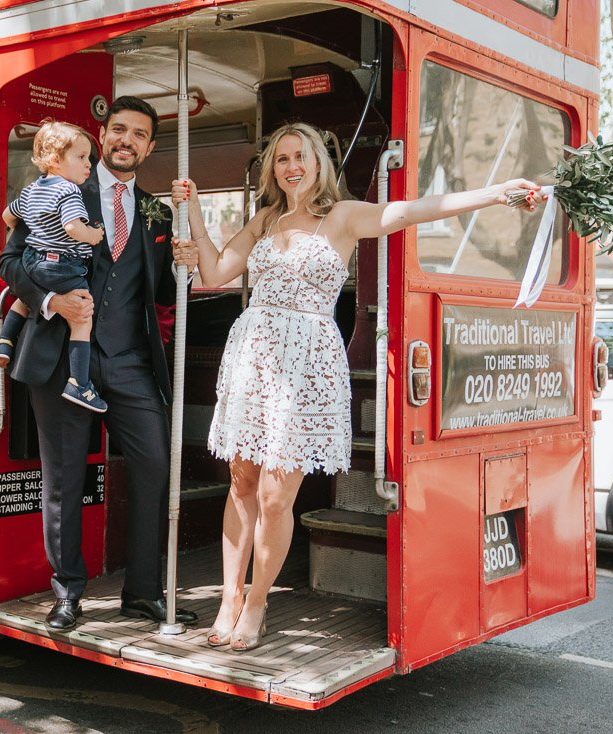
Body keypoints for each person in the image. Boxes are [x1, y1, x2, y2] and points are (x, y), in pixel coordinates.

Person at [171, 122, 543, 651]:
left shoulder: (342, 216)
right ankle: (229, 599)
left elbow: (412, 211)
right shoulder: (265, 218)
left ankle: (257, 604)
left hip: (307, 368)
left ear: (319, 162)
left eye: (301, 156)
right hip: (253, 357)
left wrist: (495, 193)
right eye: (281, 159)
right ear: (271, 170)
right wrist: (199, 218)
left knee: (278, 497)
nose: (291, 166)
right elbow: (214, 271)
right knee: (242, 483)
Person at [0, 96, 199, 631]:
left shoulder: (158, 211)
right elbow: (9, 262)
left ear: (150, 147)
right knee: (63, 479)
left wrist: (185, 267)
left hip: (131, 362)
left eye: (138, 133)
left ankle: (142, 593)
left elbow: (156, 289)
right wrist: (50, 302)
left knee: (156, 466)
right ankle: (67, 594)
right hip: (62, 356)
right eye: (117, 130)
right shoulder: (61, 187)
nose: (125, 140)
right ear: (102, 135)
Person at [0, 120, 109, 412]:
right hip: (64, 265)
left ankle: (4, 340)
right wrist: (92, 235)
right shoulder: (69, 192)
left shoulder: (32, 190)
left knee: (23, 299)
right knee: (82, 320)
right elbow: (71, 227)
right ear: (55, 160)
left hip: (35, 261)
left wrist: (37, 229)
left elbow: (8, 216)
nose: (88, 165)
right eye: (81, 158)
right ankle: (79, 383)